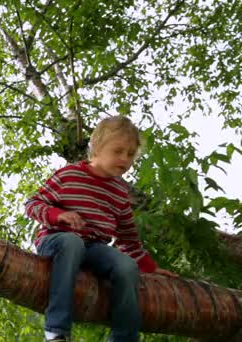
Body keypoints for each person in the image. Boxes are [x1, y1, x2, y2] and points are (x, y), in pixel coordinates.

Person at [24, 116, 177, 342]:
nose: (125, 159)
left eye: (130, 154)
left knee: (126, 266)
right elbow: (32, 204)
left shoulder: (119, 192)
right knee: (72, 242)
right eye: (118, 151)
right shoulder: (69, 175)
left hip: (93, 248)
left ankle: (123, 338)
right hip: (57, 240)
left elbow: (128, 238)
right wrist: (59, 215)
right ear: (97, 148)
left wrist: (149, 267)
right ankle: (56, 331)